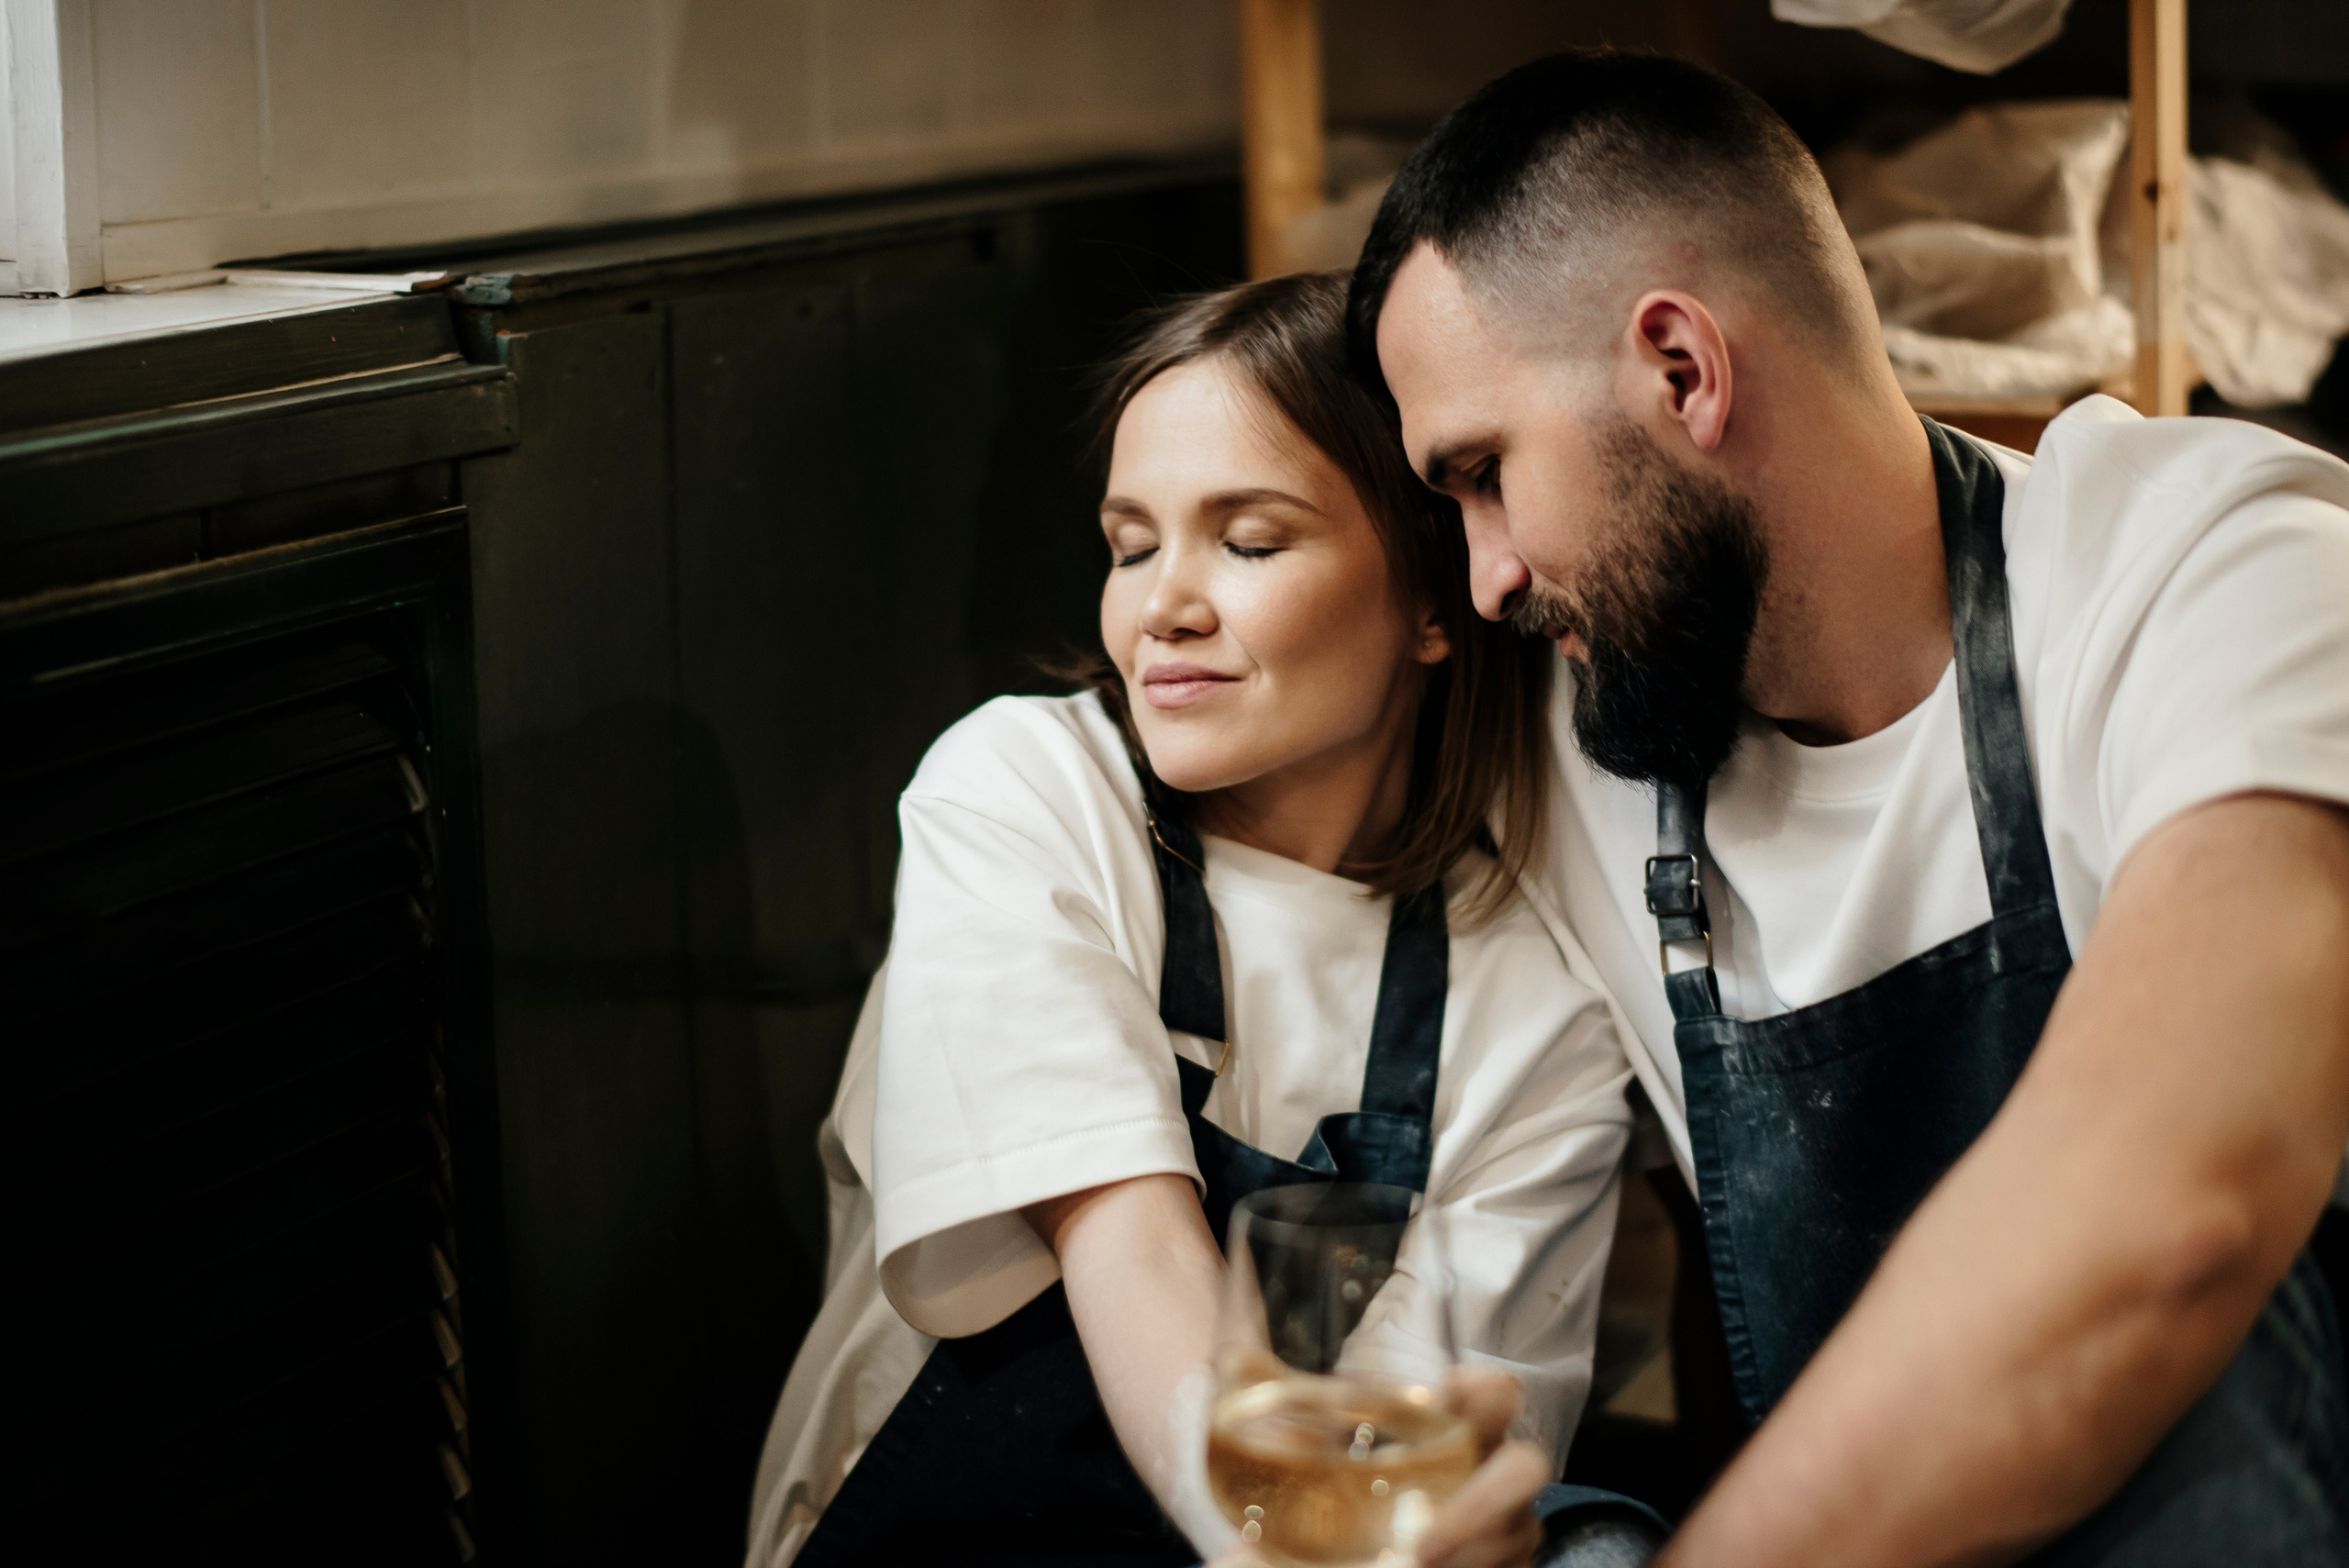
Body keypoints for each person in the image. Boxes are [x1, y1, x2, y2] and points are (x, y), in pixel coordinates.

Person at [1349, 49, 2349, 1567]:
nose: (1485, 576)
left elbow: (2169, 1219)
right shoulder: (1584, 734)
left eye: (1485, 471)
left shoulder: (2218, 573)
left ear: (1682, 370)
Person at [745, 272, 1644, 1568]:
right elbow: (1129, 1244)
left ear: (1433, 597)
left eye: (1250, 542)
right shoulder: (1023, 793)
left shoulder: (1535, 1010)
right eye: (1130, 546)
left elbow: (1417, 1441)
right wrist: (1293, 1544)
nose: (1162, 605)